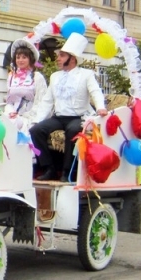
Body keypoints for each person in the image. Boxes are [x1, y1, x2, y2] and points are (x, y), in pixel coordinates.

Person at [30, 33, 108, 182]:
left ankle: (67, 171)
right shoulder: (55, 76)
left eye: (62, 56)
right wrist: (37, 120)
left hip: (79, 117)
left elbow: (95, 91)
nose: (58, 59)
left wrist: (100, 108)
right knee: (36, 130)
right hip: (59, 117)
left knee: (72, 130)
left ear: (72, 59)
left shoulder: (86, 74)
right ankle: (49, 168)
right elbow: (47, 101)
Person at [4, 37, 47, 124]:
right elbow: (9, 101)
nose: (20, 60)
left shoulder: (37, 77)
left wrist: (26, 116)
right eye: (18, 57)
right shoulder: (11, 77)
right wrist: (11, 112)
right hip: (12, 117)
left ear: (30, 59)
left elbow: (41, 102)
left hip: (30, 118)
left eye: (24, 57)